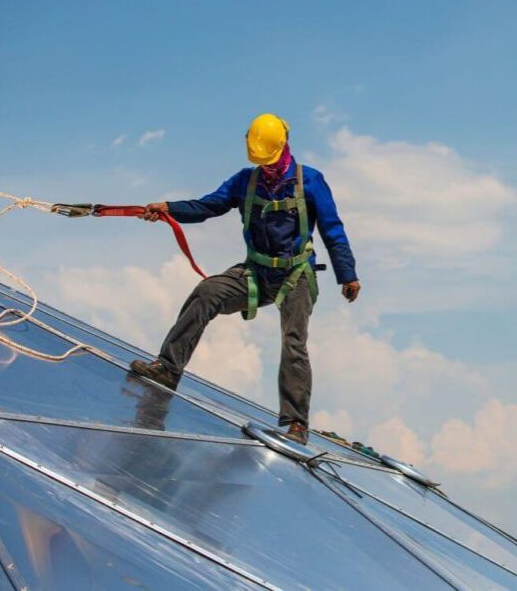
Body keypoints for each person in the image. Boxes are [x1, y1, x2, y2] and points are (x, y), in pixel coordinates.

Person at [130, 113, 360, 444]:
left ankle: (296, 424)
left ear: (284, 147)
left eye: (270, 160)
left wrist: (347, 274)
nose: (266, 167)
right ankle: (167, 369)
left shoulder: (310, 181)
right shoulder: (245, 181)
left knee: (293, 340)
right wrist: (168, 208)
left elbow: (332, 229)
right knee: (207, 292)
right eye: (260, 161)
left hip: (296, 275)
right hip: (255, 273)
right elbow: (208, 206)